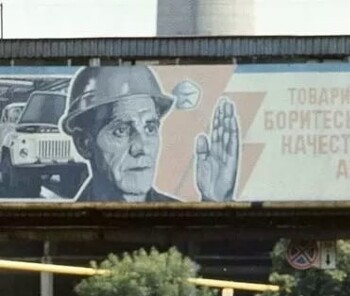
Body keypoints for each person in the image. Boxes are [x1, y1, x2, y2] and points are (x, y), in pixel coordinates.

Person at [61, 64, 239, 203]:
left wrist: (216, 202)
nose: (141, 147)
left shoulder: (177, 218)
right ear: (84, 144)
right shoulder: (62, 228)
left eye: (150, 128)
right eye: (121, 130)